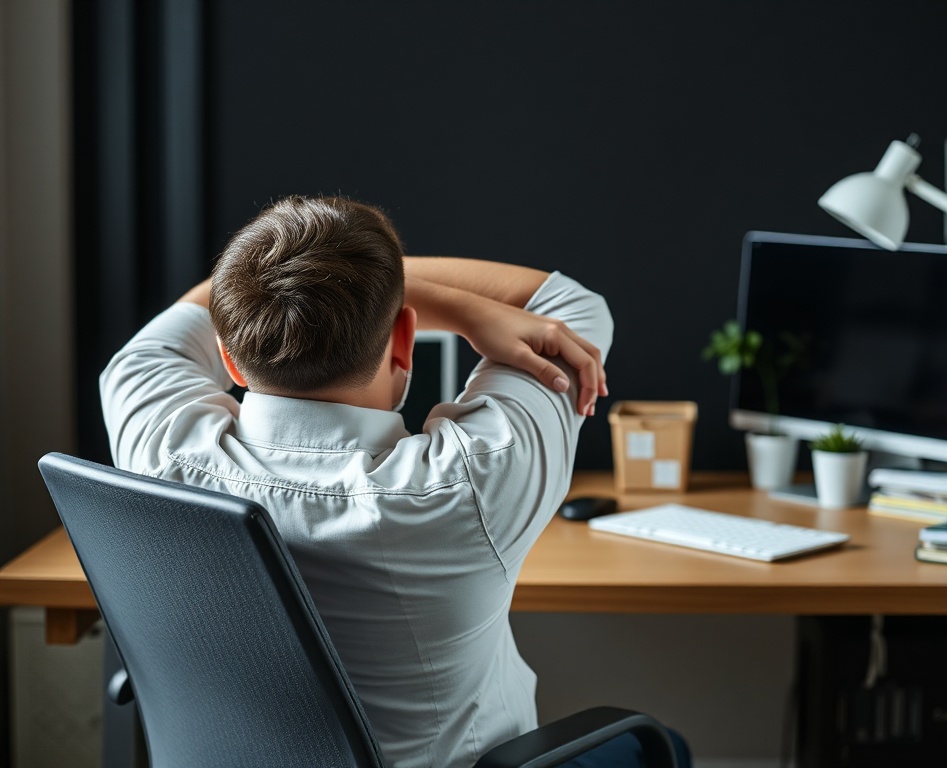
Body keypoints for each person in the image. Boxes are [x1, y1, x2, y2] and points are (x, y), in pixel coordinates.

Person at [100, 194, 689, 768]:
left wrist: (363, 292)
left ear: (229, 358)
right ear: (405, 340)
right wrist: (448, 305)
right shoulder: (469, 481)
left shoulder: (156, 439)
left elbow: (204, 304)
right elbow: (570, 305)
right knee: (664, 746)